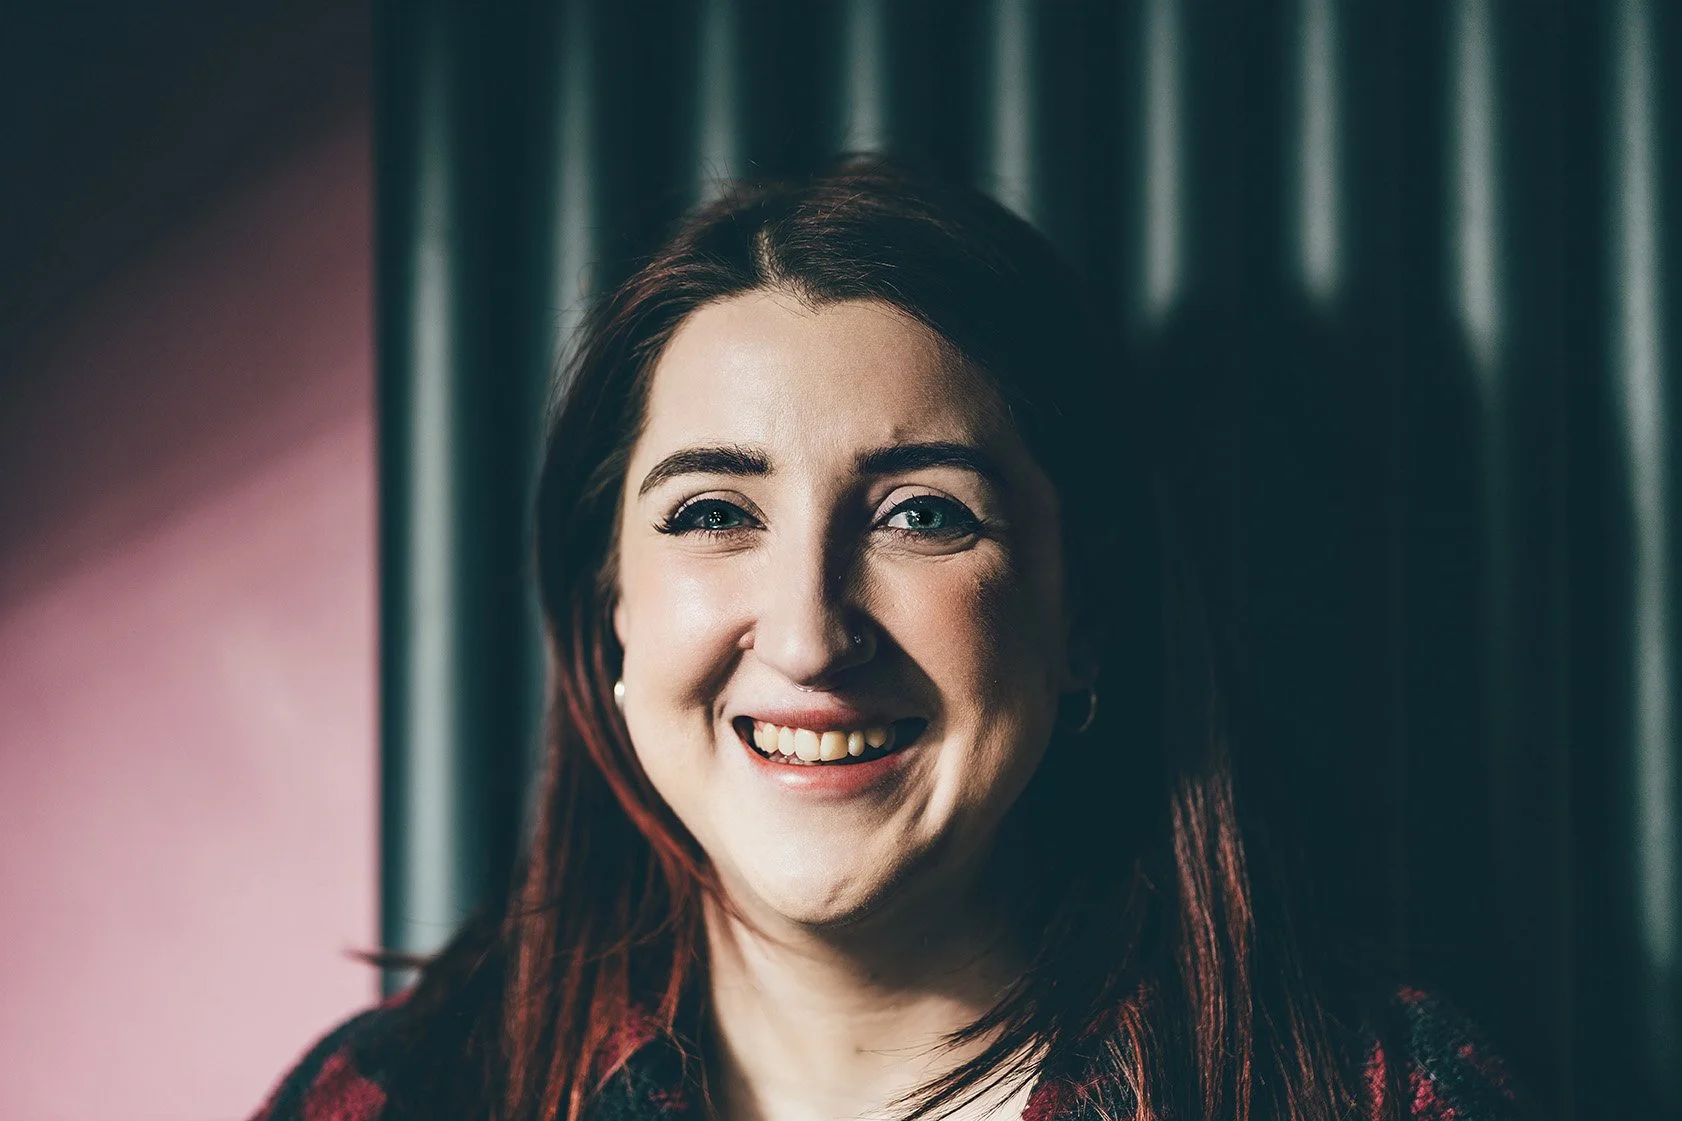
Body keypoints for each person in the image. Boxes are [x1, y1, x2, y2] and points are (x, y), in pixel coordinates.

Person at [251, 158, 1522, 1121]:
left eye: (923, 513)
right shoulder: (391, 1095)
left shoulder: (1373, 1093)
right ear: (612, 616)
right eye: (710, 512)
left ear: (1078, 613)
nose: (807, 632)